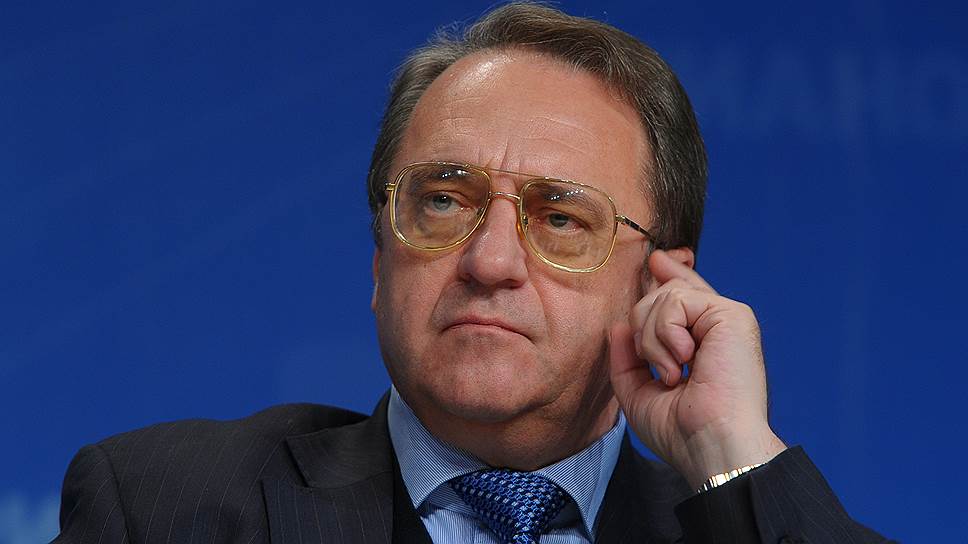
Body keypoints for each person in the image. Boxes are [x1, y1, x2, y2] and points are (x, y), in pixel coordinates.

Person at [53, 3, 891, 543]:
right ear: (380, 258)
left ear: (658, 284)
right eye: (444, 202)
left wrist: (731, 452)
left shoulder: (734, 527)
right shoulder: (159, 508)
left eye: (560, 218)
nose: (490, 262)